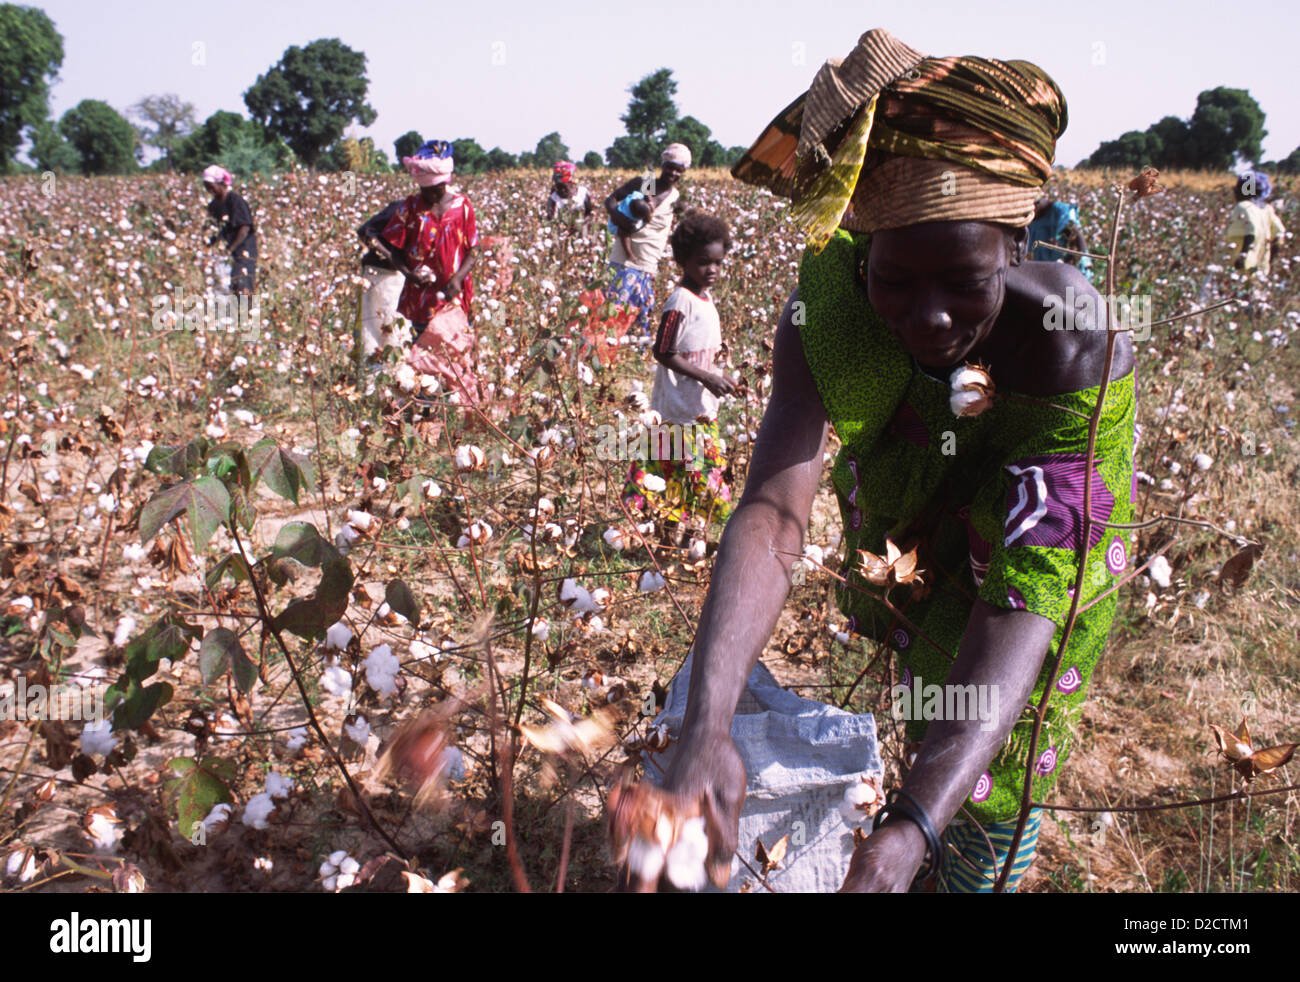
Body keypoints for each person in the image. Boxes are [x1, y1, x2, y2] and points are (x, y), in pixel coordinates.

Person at [608, 28, 1136, 894]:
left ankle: (955, 857)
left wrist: (913, 829)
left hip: (1036, 575)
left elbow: (1024, 601)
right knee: (930, 691)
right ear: (867, 259)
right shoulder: (834, 307)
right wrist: (707, 730)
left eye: (964, 283)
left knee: (992, 791)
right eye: (896, 280)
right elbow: (776, 514)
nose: (928, 318)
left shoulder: (1070, 341)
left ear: (1017, 245)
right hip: (923, 542)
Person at [623, 211, 738, 535]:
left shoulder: (705, 296)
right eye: (704, 262)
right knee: (680, 469)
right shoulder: (680, 301)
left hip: (699, 407)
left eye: (718, 263)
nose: (712, 270)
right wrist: (707, 377)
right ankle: (668, 528)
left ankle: (684, 528)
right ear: (683, 259)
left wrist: (721, 377)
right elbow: (662, 350)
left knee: (693, 470)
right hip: (676, 408)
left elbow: (702, 353)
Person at [379, 140, 481, 401]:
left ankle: (459, 406)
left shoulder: (462, 207)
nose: (429, 196)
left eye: (434, 191)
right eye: (425, 191)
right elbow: (394, 251)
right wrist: (409, 274)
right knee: (424, 355)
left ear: (444, 184)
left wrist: (458, 278)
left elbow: (473, 250)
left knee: (457, 350)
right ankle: (427, 407)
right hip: (421, 297)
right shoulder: (410, 207)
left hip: (455, 296)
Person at [603, 144, 691, 340]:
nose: (673, 172)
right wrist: (617, 216)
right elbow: (610, 200)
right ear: (663, 165)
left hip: (649, 262)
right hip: (623, 258)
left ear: (683, 172)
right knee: (614, 311)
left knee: (642, 315)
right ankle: (605, 353)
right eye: (670, 166)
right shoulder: (646, 184)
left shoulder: (676, 198)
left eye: (679, 169)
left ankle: (633, 355)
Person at [355, 198, 405, 371]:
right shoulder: (401, 208)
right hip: (382, 274)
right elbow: (365, 232)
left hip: (397, 276)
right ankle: (375, 383)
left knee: (393, 329)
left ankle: (388, 381)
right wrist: (390, 256)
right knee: (378, 330)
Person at [202, 165, 257, 295]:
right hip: (225, 252)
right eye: (206, 186)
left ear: (221, 183)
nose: (209, 189)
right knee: (223, 287)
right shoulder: (213, 206)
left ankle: (247, 314)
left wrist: (229, 250)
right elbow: (211, 230)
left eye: (211, 185)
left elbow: (244, 228)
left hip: (244, 250)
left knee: (242, 284)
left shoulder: (236, 200)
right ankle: (231, 314)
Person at [1226, 171, 1286, 277]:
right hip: (1259, 271)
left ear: (1240, 191)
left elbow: (1251, 232)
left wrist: (1242, 257)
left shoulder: (1242, 206)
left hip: (1235, 270)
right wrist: (1269, 262)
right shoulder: (1267, 210)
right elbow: (1279, 234)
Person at [1027, 193, 1093, 280]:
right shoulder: (1030, 222)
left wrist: (1081, 269)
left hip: (1068, 275)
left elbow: (1075, 239)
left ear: (1036, 203)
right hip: (1043, 277)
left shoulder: (1063, 212)